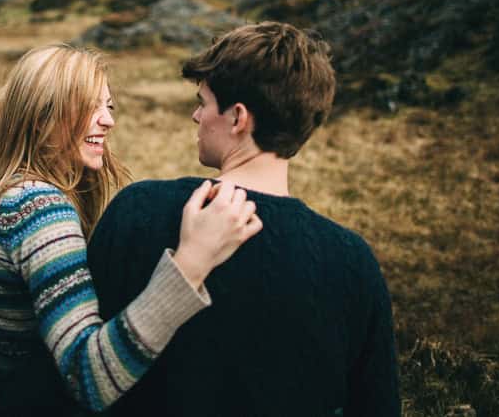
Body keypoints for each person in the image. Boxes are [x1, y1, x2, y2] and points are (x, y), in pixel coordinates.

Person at [87, 21, 400, 416]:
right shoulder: (354, 261)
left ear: (238, 118)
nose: (196, 116)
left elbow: (78, 371)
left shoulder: (141, 211)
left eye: (203, 101)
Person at [0, 44, 262, 416]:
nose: (108, 121)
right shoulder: (37, 207)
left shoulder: (11, 190)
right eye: (90, 106)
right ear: (41, 117)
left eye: (109, 106)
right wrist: (190, 264)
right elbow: (88, 376)